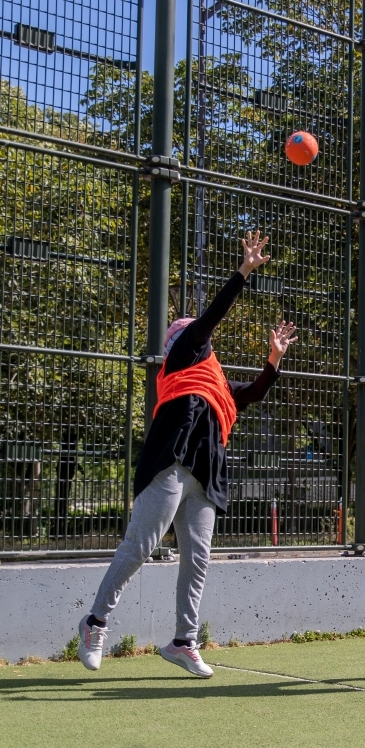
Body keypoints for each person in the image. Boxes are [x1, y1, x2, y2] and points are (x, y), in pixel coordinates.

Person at [78, 230, 295, 677]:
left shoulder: (214, 384)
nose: (194, 332)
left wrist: (273, 359)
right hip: (172, 461)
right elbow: (210, 320)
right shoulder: (181, 362)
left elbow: (253, 392)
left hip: (206, 474)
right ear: (179, 344)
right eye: (186, 331)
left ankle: (183, 640)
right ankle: (95, 621)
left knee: (198, 558)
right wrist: (243, 272)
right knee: (141, 545)